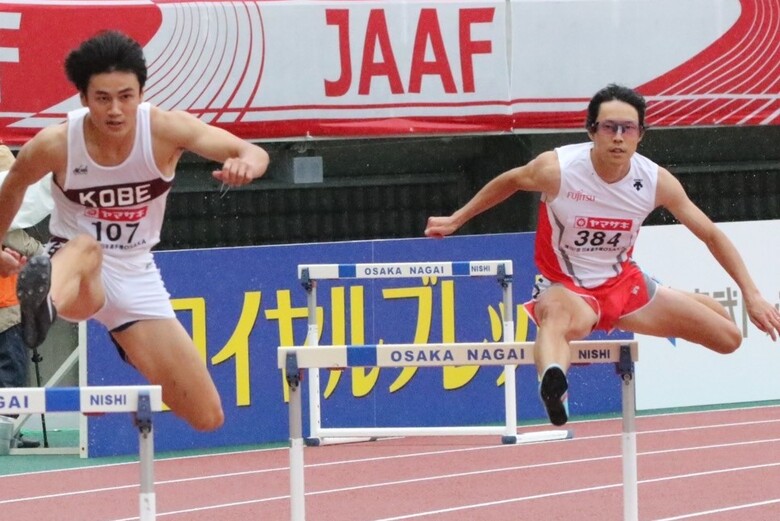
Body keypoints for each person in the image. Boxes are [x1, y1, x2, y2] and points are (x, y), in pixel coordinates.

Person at [425, 84, 780, 426]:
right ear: (592, 131)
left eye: (628, 128)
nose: (618, 137)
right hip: (567, 288)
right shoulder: (558, 169)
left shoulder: (655, 181)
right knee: (556, 322)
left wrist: (751, 294)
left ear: (641, 134)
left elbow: (711, 234)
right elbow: (510, 180)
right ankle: (553, 386)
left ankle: (672, 295)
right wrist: (457, 218)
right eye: (609, 127)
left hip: (624, 287)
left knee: (729, 338)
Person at [0, 31, 270, 431]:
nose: (115, 110)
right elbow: (12, 186)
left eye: (126, 96)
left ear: (141, 94)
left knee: (207, 415)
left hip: (135, 273)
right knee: (86, 246)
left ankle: (120, 335)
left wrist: (246, 164)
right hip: (75, 271)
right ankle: (43, 307)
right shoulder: (57, 143)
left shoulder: (164, 129)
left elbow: (252, 151)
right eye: (102, 98)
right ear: (83, 99)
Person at [0, 145, 45, 449]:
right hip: (6, 309)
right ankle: (5, 433)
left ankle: (6, 432)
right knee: (10, 370)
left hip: (8, 306)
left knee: (10, 371)